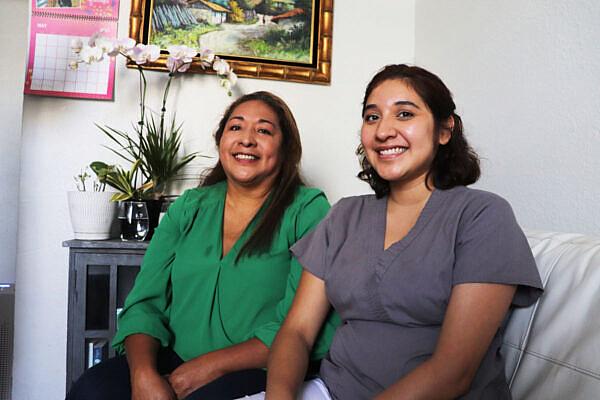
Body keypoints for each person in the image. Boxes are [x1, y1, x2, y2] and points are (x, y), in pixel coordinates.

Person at [264, 65, 544, 399]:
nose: (383, 131)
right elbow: (297, 331)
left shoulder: (482, 216)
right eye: (372, 117)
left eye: (404, 114)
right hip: (330, 391)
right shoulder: (344, 216)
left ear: (444, 130)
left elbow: (453, 372)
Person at [66, 91, 338, 400]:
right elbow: (144, 303)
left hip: (261, 366)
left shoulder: (307, 210)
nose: (247, 139)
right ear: (220, 140)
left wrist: (208, 367)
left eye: (263, 130)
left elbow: (301, 327)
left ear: (287, 149)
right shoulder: (190, 206)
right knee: (91, 389)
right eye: (236, 127)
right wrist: (143, 374)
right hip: (175, 356)